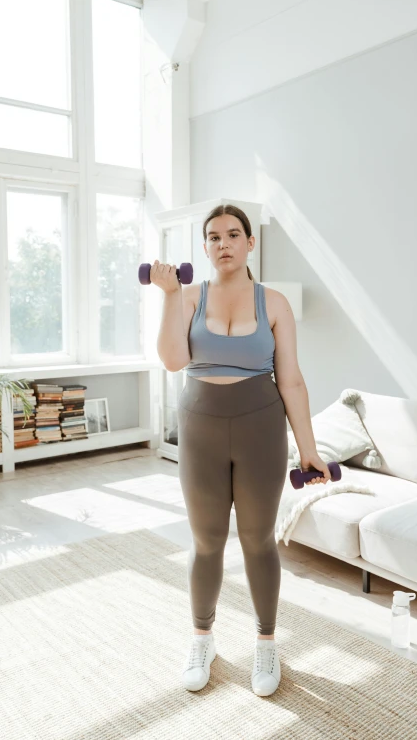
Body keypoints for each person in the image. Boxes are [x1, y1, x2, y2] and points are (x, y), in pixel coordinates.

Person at [154, 203, 330, 697]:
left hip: (260, 430)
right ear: (205, 247)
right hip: (199, 430)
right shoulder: (187, 296)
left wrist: (309, 450)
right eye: (213, 237)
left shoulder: (273, 303)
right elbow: (172, 360)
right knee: (207, 541)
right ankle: (202, 639)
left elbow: (291, 381)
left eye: (234, 235)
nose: (223, 244)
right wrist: (169, 296)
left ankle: (267, 643)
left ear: (251, 243)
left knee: (258, 540)